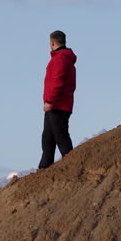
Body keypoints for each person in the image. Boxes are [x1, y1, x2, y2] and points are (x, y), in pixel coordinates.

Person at [39, 30, 77, 170]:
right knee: (47, 139)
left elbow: (57, 82)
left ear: (52, 42)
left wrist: (49, 101)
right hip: (57, 105)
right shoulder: (63, 58)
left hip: (58, 105)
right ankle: (43, 169)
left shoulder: (60, 58)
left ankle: (73, 167)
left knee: (61, 137)